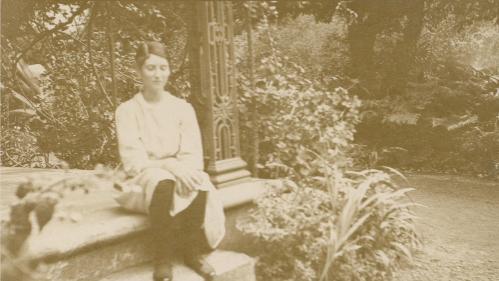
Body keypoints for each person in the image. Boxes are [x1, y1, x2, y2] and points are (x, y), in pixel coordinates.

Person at [114, 41, 225, 281]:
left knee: (198, 178)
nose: (157, 74)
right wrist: (168, 166)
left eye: (163, 67)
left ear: (169, 70)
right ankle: (162, 259)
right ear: (138, 71)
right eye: (151, 68)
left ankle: (191, 252)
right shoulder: (127, 110)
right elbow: (134, 161)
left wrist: (183, 170)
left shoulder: (182, 108)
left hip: (178, 171)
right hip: (142, 179)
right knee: (163, 181)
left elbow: (192, 154)